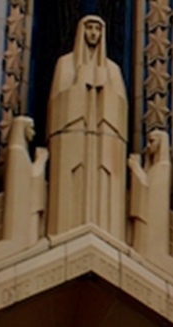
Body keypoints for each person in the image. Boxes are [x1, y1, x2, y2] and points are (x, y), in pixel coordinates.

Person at [47, 15, 128, 240]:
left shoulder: (112, 69)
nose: (93, 33)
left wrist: (107, 93)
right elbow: (56, 102)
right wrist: (77, 85)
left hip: (104, 145)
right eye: (89, 28)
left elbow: (121, 108)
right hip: (72, 141)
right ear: (81, 32)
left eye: (97, 29)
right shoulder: (65, 64)